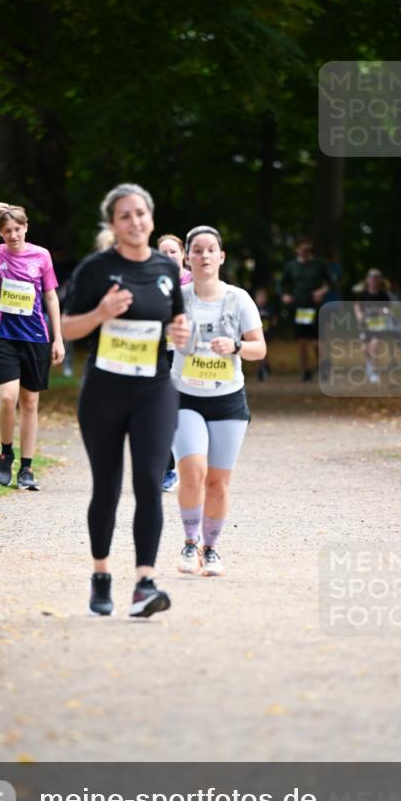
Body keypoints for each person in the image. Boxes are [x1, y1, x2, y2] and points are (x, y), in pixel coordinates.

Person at [61, 183, 189, 618]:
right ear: (113, 225)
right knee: (108, 487)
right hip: (104, 391)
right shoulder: (97, 270)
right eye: (125, 216)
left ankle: (144, 584)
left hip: (154, 389)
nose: (135, 222)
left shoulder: (166, 269)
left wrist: (181, 332)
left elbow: (175, 321)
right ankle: (101, 575)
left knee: (150, 483)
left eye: (141, 214)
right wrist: (100, 314)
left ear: (151, 218)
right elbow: (63, 327)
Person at [172, 225, 266, 577]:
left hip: (227, 400)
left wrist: (236, 346)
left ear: (221, 257)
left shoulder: (238, 298)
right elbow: (155, 339)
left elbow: (260, 348)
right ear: (187, 258)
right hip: (184, 397)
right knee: (193, 472)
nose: (205, 256)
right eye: (197, 250)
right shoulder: (176, 300)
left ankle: (211, 549)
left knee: (218, 482)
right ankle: (190, 542)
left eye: (211, 250)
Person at [0, 203, 64, 489]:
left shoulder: (41, 255)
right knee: (8, 398)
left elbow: (51, 297)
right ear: (0, 232)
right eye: (6, 231)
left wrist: (58, 338)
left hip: (37, 337)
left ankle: (27, 469)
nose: (13, 235)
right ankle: (6, 453)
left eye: (17, 229)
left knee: (30, 402)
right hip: (6, 336)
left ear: (26, 227)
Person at [157, 234, 192, 493]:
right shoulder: (152, 280)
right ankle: (166, 468)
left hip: (188, 354)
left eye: (173, 252)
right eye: (163, 253)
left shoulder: (194, 281)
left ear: (183, 255)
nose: (168, 257)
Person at [281, 235, 330, 381]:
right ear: (297, 250)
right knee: (301, 341)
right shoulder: (291, 266)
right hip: (299, 307)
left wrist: (322, 291)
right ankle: (305, 370)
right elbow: (282, 284)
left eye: (309, 249)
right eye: (303, 249)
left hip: (314, 307)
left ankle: (322, 365)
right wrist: (285, 295)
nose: (306, 252)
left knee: (316, 341)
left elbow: (331, 283)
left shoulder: (319, 264)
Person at [353, 268, 391, 385]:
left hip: (378, 324)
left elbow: (388, 308)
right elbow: (356, 305)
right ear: (368, 280)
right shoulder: (363, 294)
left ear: (380, 280)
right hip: (365, 324)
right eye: (372, 278)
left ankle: (375, 373)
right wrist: (359, 314)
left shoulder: (383, 295)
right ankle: (369, 363)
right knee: (366, 349)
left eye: (376, 278)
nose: (374, 280)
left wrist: (383, 312)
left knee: (374, 347)